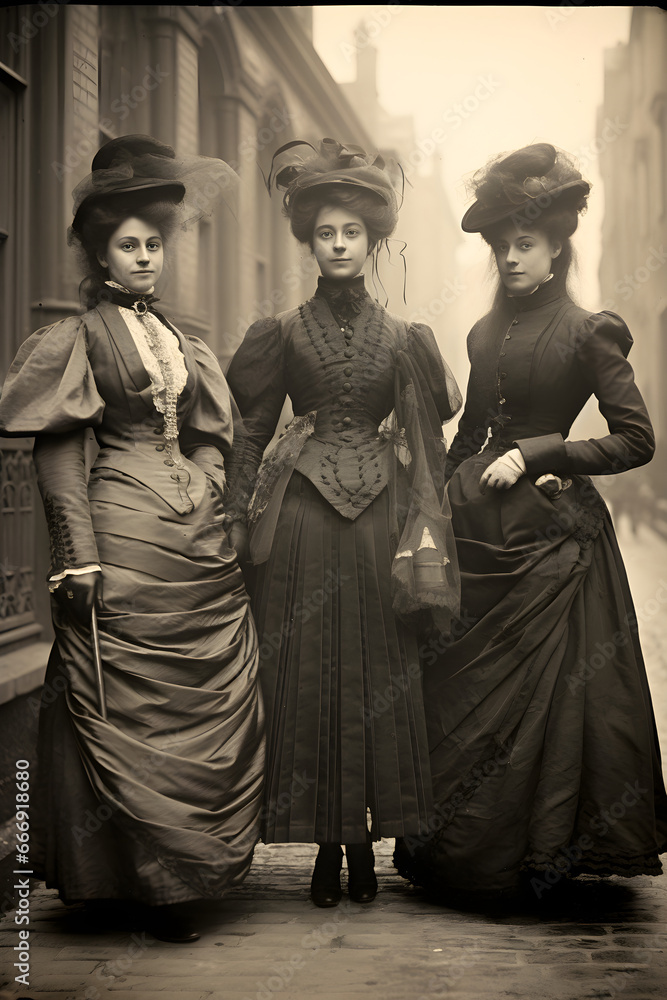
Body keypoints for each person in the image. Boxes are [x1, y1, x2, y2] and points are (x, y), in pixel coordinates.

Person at [0, 135, 265, 941]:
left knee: (197, 707)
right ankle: (126, 880)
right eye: (129, 245)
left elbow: (214, 432)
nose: (146, 257)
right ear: (100, 251)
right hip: (119, 533)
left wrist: (210, 482)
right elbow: (58, 451)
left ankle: (182, 879)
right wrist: (76, 552)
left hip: (194, 542)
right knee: (126, 704)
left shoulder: (181, 341)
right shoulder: (79, 339)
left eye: (155, 244)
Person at [394, 143, 667, 900]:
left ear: (555, 248)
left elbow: (635, 439)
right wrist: (434, 504)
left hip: (554, 540)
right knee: (464, 690)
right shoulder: (484, 335)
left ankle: (542, 851)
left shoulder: (590, 332)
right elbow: (470, 433)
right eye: (500, 247)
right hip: (481, 531)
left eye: (523, 245)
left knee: (557, 701)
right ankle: (466, 846)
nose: (509, 259)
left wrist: (542, 453)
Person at [225, 138, 462, 907]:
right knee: (313, 678)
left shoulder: (403, 340)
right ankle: (329, 847)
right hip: (300, 520)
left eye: (350, 234)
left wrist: (424, 530)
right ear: (310, 241)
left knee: (377, 678)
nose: (336, 245)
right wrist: (233, 511)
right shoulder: (281, 333)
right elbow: (252, 431)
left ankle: (368, 845)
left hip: (378, 524)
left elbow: (431, 438)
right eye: (324, 233)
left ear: (371, 240)